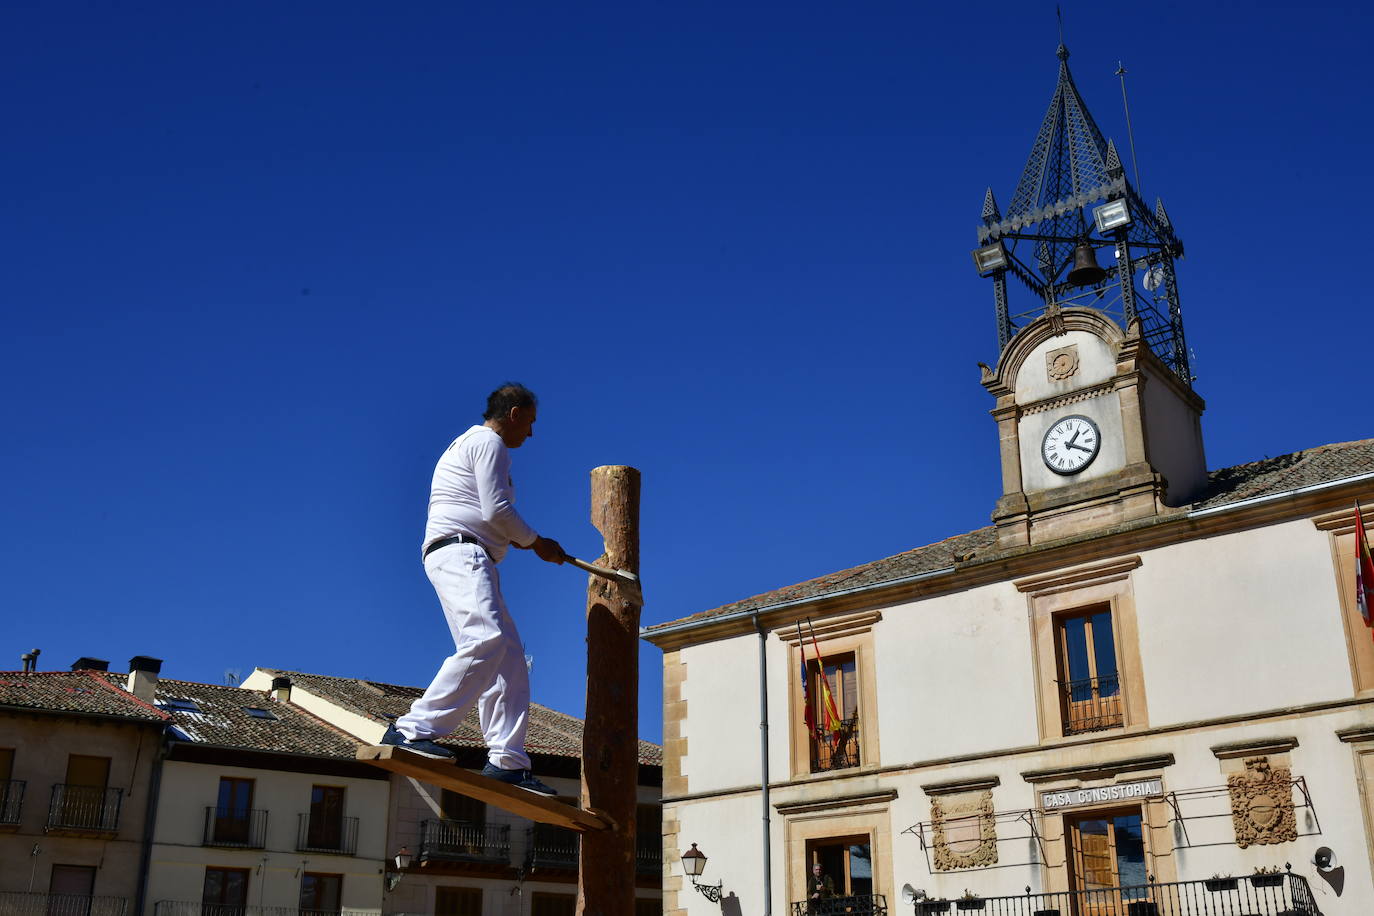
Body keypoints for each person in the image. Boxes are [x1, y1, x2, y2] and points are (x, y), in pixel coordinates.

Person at [381, 382, 566, 796]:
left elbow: (490, 512)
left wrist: (523, 540)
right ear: (514, 414)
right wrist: (537, 542)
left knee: (509, 658)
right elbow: (496, 509)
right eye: (530, 422)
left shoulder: (474, 444)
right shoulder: (488, 442)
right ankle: (411, 730)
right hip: (461, 552)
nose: (531, 433)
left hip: (467, 554)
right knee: (486, 638)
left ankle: (507, 761)